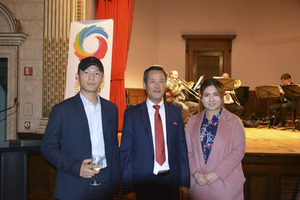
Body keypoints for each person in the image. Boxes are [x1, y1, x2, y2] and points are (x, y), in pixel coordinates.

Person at [41, 56, 120, 200]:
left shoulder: (111, 109)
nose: (91, 77)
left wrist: (114, 178)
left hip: (105, 182)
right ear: (77, 76)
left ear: (102, 78)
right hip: (74, 183)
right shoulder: (62, 110)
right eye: (86, 72)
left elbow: (113, 144)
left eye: (96, 73)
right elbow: (47, 148)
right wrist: (76, 168)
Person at [120, 66, 190, 200]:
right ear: (144, 85)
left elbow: (182, 149)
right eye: (152, 81)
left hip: (171, 182)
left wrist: (184, 182)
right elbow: (126, 153)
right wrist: (128, 187)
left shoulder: (176, 113)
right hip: (142, 184)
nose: (157, 85)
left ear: (166, 85)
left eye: (161, 81)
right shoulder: (132, 115)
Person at [185, 78, 246, 200]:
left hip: (226, 184)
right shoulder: (193, 121)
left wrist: (217, 173)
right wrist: (195, 173)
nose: (211, 99)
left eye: (216, 95)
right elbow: (188, 151)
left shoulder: (234, 121)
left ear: (222, 97)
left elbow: (238, 151)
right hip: (199, 184)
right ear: (201, 98)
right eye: (207, 95)